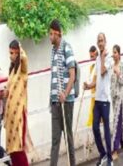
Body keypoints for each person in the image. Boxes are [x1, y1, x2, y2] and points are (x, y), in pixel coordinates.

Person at [48, 19, 76, 166]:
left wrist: (65, 93)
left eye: (51, 33)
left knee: (68, 137)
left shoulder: (66, 47)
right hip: (55, 102)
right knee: (55, 139)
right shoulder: (53, 51)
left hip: (66, 101)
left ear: (56, 33)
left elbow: (73, 75)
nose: (49, 36)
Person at [84, 33, 113, 166]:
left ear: (105, 42)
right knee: (95, 127)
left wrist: (101, 57)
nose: (100, 43)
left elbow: (102, 72)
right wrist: (88, 85)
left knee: (106, 129)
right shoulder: (98, 59)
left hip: (106, 100)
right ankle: (102, 154)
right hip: (97, 100)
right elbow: (97, 79)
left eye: (102, 41)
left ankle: (110, 159)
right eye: (98, 41)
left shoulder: (108, 58)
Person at [3, 40, 30, 165]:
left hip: (19, 115)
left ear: (18, 52)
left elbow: (24, 58)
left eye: (13, 53)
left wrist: (20, 47)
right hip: (10, 117)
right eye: (9, 53)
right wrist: (5, 93)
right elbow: (9, 90)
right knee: (12, 151)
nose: (10, 55)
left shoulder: (22, 69)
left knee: (18, 148)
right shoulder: (12, 71)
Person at [85, 46, 98, 156]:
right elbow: (90, 81)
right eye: (90, 56)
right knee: (92, 122)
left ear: (96, 53)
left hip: (100, 98)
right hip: (93, 99)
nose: (91, 58)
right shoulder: (91, 68)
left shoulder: (99, 66)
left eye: (92, 56)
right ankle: (90, 144)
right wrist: (87, 85)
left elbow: (96, 82)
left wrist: (88, 86)